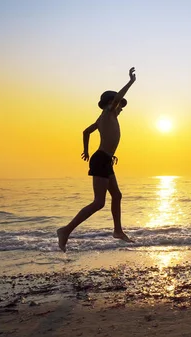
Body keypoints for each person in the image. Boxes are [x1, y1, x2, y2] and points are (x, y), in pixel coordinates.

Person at [57, 67, 136, 252]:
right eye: (118, 104)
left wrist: (85, 151)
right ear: (111, 103)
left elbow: (86, 132)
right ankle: (65, 231)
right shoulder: (108, 113)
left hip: (105, 159)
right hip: (100, 159)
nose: (121, 108)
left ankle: (117, 231)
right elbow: (116, 100)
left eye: (121, 106)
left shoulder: (103, 119)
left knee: (117, 195)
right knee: (99, 202)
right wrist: (131, 82)